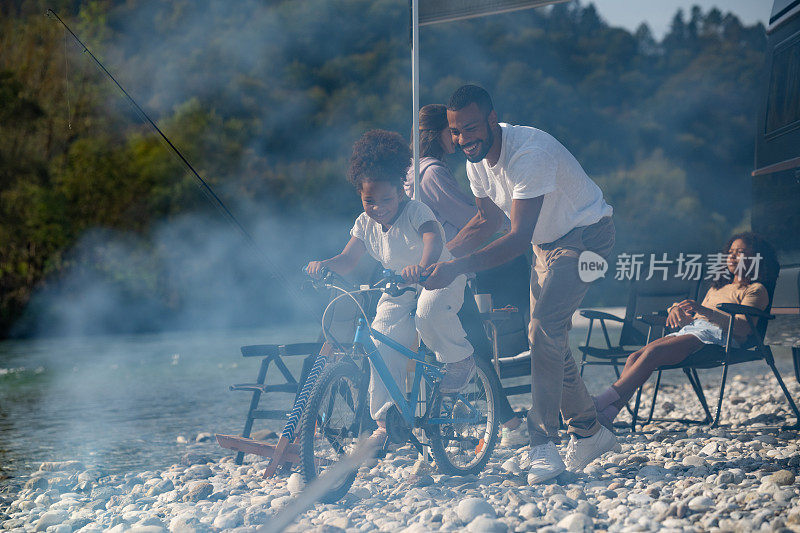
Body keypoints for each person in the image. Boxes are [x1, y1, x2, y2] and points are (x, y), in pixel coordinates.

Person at [423, 84, 618, 482]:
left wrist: (458, 267)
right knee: (546, 336)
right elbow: (487, 221)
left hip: (590, 242)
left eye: (473, 128)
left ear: (493, 120)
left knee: (543, 329)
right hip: (546, 247)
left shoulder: (529, 153)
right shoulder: (474, 160)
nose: (464, 140)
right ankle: (590, 433)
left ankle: (542, 444)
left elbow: (513, 236)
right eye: (456, 132)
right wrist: (440, 257)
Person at [306, 129, 475, 446]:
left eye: (386, 199)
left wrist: (421, 268)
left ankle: (460, 359)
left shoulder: (416, 211)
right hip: (397, 284)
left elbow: (433, 239)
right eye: (369, 200)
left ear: (402, 192)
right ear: (360, 195)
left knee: (427, 314)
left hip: (438, 274)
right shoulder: (364, 222)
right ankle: (386, 422)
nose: (378, 206)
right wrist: (323, 265)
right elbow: (346, 259)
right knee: (378, 344)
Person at [405, 103, 528, 447]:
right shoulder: (432, 174)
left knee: (454, 349)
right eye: (452, 131)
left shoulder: (409, 173)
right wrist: (506, 219)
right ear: (437, 134)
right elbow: (471, 217)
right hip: (447, 273)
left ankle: (496, 420)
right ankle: (507, 424)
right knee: (474, 347)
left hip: (421, 271)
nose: (457, 139)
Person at [593, 232, 776, 426]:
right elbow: (696, 319)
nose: (731, 256)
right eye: (730, 252)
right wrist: (675, 310)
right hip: (695, 330)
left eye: (740, 252)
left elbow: (743, 328)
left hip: (720, 337)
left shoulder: (755, 290)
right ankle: (607, 416)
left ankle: (598, 402)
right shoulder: (717, 288)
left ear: (757, 257)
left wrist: (704, 310)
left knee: (654, 352)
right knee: (634, 357)